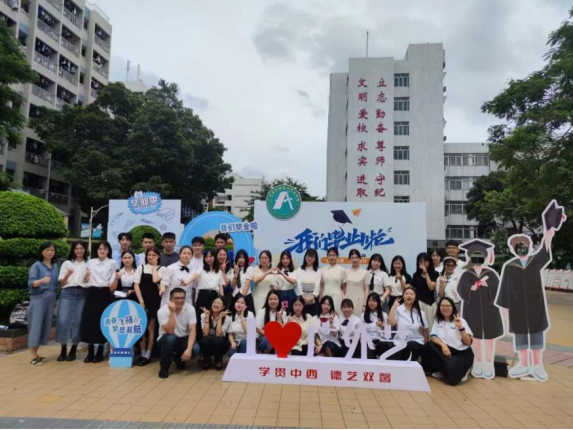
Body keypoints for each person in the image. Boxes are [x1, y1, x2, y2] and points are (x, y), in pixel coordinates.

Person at [497, 227, 556, 382]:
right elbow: (505, 287)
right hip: (517, 306)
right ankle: (523, 364)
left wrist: (548, 236)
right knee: (520, 333)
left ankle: (537, 365)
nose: (521, 248)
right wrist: (504, 307)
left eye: (523, 245)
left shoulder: (535, 261)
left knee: (537, 333)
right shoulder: (510, 266)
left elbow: (544, 251)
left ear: (529, 247)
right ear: (513, 249)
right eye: (517, 246)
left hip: (535, 304)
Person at [457, 240, 503, 380]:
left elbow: (499, 289)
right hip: (472, 309)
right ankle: (477, 363)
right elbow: (460, 289)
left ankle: (488, 364)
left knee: (489, 337)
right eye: (475, 256)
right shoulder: (467, 274)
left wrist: (487, 285)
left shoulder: (491, 273)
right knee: (475, 336)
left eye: (480, 256)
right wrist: (470, 288)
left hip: (490, 309)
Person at [82, 242, 118, 364]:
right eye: (100, 249)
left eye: (105, 249)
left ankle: (100, 351)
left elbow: (112, 284)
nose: (102, 251)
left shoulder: (112, 263)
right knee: (89, 321)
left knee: (102, 321)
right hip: (91, 292)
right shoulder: (90, 262)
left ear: (109, 251)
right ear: (96, 250)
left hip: (104, 293)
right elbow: (85, 280)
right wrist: (86, 277)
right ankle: (90, 351)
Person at [423, 298, 474, 386]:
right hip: (446, 351)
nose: (445, 308)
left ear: (453, 307)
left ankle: (462, 370)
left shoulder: (460, 320)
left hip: (461, 353)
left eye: (448, 306)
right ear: (439, 308)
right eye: (442, 306)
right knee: (429, 346)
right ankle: (442, 369)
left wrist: (461, 328)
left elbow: (468, 342)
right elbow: (433, 336)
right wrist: (443, 345)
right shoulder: (438, 320)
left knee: (452, 381)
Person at [56, 241, 89, 363]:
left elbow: (87, 282)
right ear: (73, 250)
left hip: (82, 293)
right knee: (63, 320)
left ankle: (73, 349)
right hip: (67, 292)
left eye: (81, 248)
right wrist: (68, 274)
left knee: (78, 321)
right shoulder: (67, 263)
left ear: (85, 250)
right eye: (76, 248)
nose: (79, 250)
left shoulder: (88, 264)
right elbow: (62, 283)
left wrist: (86, 277)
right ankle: (63, 349)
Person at [27, 242, 60, 366]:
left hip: (50, 300)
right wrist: (42, 280)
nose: (50, 252)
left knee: (44, 326)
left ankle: (36, 353)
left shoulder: (55, 266)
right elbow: (31, 283)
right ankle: (32, 356)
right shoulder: (36, 266)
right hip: (38, 299)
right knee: (36, 326)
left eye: (52, 250)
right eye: (47, 250)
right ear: (41, 251)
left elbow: (56, 283)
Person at [134, 247, 165, 366]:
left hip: (154, 301)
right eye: (149, 255)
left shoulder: (162, 268)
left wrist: (154, 267)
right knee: (141, 328)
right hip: (141, 300)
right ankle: (142, 353)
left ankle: (148, 354)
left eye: (154, 255)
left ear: (158, 256)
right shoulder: (141, 267)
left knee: (151, 328)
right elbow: (136, 285)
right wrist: (141, 301)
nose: (151, 257)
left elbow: (155, 280)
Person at [157, 288, 197, 379]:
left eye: (182, 298)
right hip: (166, 338)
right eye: (177, 298)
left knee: (195, 349)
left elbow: (192, 330)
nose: (180, 300)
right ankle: (164, 367)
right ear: (170, 299)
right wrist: (172, 312)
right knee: (171, 339)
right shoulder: (162, 311)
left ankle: (179, 359)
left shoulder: (190, 309)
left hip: (183, 338)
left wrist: (189, 349)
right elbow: (170, 331)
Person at [187, 250, 226, 335]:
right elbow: (195, 276)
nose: (208, 259)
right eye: (206, 257)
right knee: (199, 316)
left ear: (215, 257)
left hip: (214, 297)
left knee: (213, 317)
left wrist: (223, 300)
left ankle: (212, 337)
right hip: (203, 295)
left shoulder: (218, 271)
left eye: (210, 256)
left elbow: (221, 287)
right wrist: (187, 282)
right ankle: (199, 337)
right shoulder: (201, 269)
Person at [387, 288, 429, 361]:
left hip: (416, 342)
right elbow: (390, 324)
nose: (409, 295)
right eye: (406, 294)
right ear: (403, 296)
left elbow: (425, 330)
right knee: (391, 359)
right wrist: (393, 307)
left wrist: (425, 345)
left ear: (415, 297)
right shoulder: (398, 310)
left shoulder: (420, 313)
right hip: (399, 343)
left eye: (411, 294)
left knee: (411, 346)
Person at [200, 296, 231, 370]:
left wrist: (220, 318)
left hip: (220, 342)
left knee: (217, 340)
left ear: (223, 307)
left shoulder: (227, 318)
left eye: (219, 304)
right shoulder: (203, 315)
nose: (216, 305)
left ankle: (218, 359)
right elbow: (205, 333)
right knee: (204, 339)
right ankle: (206, 359)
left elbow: (218, 334)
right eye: (214, 302)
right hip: (208, 340)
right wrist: (207, 318)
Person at [412, 253, 439, 331]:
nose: (422, 264)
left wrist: (426, 273)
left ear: (429, 262)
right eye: (420, 262)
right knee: (419, 325)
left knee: (431, 324)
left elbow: (431, 288)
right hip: (419, 302)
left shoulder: (435, 274)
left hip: (431, 303)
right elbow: (414, 288)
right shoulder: (416, 275)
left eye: (425, 261)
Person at [293, 249, 323, 317]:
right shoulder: (300, 270)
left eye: (312, 257)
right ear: (305, 256)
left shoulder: (319, 271)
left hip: (313, 299)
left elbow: (317, 284)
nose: (309, 258)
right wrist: (303, 296)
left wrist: (312, 297)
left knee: (313, 319)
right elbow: (298, 284)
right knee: (302, 318)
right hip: (301, 299)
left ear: (315, 259)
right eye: (308, 256)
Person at [362, 293, 392, 359]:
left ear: (378, 302)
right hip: (368, 340)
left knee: (383, 345)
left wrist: (382, 326)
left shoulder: (384, 315)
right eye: (370, 301)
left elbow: (388, 334)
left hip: (381, 340)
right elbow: (361, 332)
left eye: (374, 301)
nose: (372, 303)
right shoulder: (363, 315)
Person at [321, 247, 347, 314]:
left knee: (337, 314)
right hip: (325, 294)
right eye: (330, 255)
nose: (332, 257)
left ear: (337, 256)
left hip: (337, 296)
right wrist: (320, 299)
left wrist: (344, 299)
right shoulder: (322, 270)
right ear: (327, 257)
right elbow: (321, 287)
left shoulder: (342, 270)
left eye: (334, 255)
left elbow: (344, 287)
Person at [345, 249, 369, 317]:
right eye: (352, 258)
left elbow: (367, 289)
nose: (354, 260)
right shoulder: (345, 271)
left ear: (360, 259)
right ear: (349, 259)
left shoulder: (365, 272)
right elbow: (343, 288)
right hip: (348, 299)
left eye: (356, 257)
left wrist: (365, 304)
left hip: (360, 300)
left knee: (359, 319)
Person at [230, 250, 255, 314]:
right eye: (239, 257)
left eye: (243, 258)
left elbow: (247, 285)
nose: (241, 260)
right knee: (234, 317)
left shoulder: (249, 268)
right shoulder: (232, 270)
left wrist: (242, 299)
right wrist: (236, 273)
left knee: (248, 318)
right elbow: (232, 286)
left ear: (246, 259)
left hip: (246, 296)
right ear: (237, 259)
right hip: (235, 296)